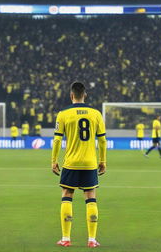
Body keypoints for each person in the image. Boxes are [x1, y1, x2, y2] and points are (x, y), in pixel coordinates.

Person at [51, 82, 107, 248]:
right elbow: (102, 140)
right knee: (91, 199)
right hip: (90, 163)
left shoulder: (63, 114)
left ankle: (66, 238)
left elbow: (57, 139)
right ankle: (91, 240)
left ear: (71, 95)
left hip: (71, 163)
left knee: (67, 196)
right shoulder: (96, 114)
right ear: (85, 95)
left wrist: (53, 160)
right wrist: (103, 161)